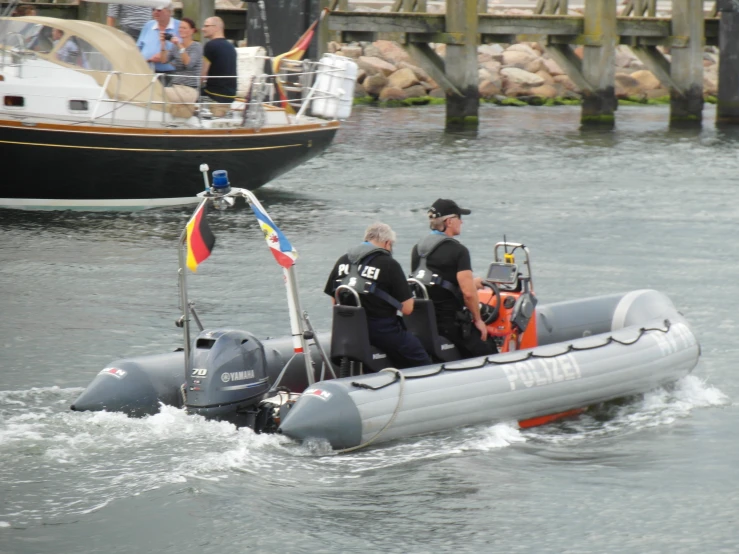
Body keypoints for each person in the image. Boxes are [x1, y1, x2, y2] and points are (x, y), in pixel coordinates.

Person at [324, 223, 432, 370]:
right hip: (381, 331)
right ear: (387, 243)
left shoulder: (343, 260)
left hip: (349, 332)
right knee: (420, 359)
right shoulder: (388, 264)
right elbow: (407, 308)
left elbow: (334, 299)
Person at [410, 199, 498, 359]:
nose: (462, 221)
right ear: (449, 221)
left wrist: (473, 283)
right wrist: (478, 321)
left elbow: (432, 281)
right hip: (448, 323)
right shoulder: (459, 251)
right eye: (459, 217)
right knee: (488, 348)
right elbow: (468, 294)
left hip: (423, 322)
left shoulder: (418, 249)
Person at [136, 3, 180, 77]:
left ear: (169, 11)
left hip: (171, 73)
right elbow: (138, 47)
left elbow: (185, 48)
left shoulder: (180, 26)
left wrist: (166, 54)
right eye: (153, 9)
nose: (155, 12)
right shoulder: (148, 25)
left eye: (159, 10)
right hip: (147, 71)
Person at [200, 16, 237, 103]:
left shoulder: (210, 45)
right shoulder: (231, 47)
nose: (203, 29)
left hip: (214, 94)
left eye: (206, 26)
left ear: (216, 28)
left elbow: (202, 74)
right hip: (230, 95)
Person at [167, 17, 202, 90]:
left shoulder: (196, 46)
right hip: (175, 85)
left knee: (161, 94)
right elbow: (164, 60)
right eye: (180, 28)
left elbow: (188, 64)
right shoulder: (175, 46)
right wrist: (162, 44)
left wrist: (179, 45)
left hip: (189, 88)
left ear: (192, 31)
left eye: (184, 28)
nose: (181, 30)